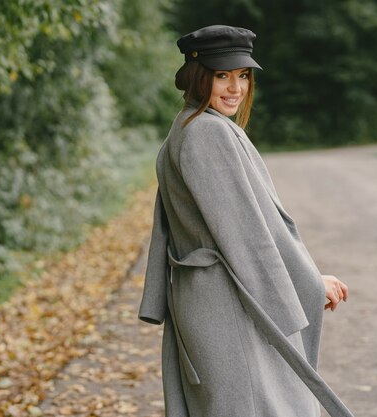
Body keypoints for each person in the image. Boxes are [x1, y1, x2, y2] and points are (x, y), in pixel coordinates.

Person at [138, 25, 354, 417]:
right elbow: (248, 235)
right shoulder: (206, 134)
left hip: (212, 302)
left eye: (242, 75)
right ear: (197, 76)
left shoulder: (189, 128)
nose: (235, 87)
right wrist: (308, 283)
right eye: (222, 76)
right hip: (227, 305)